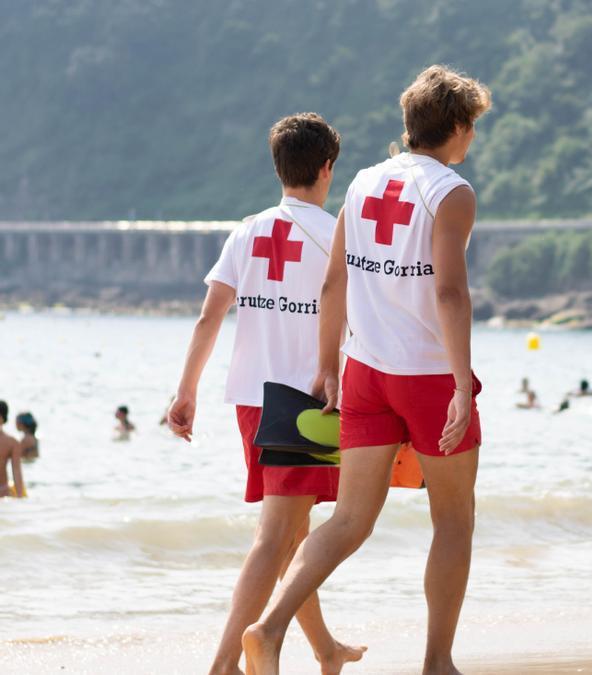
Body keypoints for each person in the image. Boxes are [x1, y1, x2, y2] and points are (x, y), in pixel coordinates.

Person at [244, 65, 492, 675]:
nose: (474, 139)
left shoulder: (360, 183)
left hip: (365, 371)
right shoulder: (451, 191)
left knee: (350, 519)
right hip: (428, 373)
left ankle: (269, 629)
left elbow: (336, 282)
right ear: (457, 126)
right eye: (474, 127)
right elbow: (450, 296)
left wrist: (329, 366)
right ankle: (437, 662)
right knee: (454, 520)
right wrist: (462, 382)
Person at [166, 112, 363, 675]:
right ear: (327, 168)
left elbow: (210, 317)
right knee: (276, 536)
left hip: (252, 400)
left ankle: (326, 650)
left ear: (278, 167)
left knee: (291, 532)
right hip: (303, 402)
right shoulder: (336, 236)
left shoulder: (248, 229)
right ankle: (225, 664)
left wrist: (186, 390)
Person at [0, 401, 25, 498]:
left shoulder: (12, 443)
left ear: (2, 418)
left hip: (2, 492)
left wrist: (20, 497)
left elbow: (17, 471)